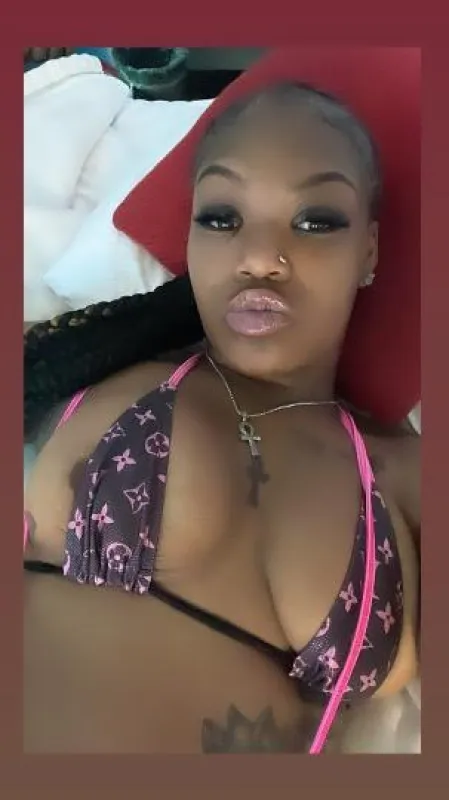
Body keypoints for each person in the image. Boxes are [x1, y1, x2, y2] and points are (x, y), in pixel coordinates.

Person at [23, 82, 420, 754]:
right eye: (220, 217)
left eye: (315, 220)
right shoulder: (101, 365)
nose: (259, 258)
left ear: (370, 251)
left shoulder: (406, 473)